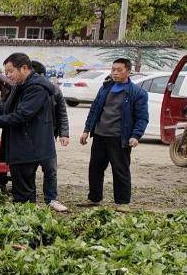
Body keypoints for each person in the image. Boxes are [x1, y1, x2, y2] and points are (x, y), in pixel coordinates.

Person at [0, 52, 54, 204]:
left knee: (23, 192)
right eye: (6, 72)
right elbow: (5, 110)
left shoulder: (36, 88)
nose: (8, 76)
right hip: (19, 147)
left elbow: (19, 117)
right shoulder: (20, 86)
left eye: (10, 71)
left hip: (28, 149)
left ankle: (26, 220)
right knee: (20, 189)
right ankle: (24, 217)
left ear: (24, 68)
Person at [80, 58, 149, 207]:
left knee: (120, 170)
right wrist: (87, 130)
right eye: (113, 70)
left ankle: (122, 203)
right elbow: (94, 109)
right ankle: (94, 198)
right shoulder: (105, 88)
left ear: (128, 71)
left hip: (119, 138)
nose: (115, 73)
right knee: (95, 168)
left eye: (119, 70)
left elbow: (142, 118)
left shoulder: (137, 93)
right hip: (100, 135)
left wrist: (136, 136)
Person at [30, 61, 71, 213]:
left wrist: (64, 133)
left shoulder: (54, 90)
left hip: (48, 137)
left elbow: (62, 112)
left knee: (50, 169)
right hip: (29, 136)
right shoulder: (23, 89)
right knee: (29, 169)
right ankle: (30, 200)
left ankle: (51, 199)